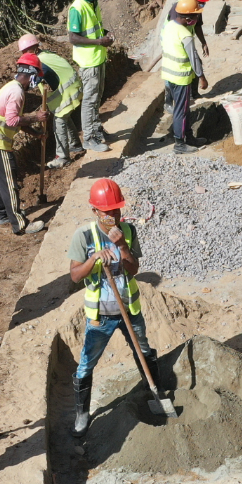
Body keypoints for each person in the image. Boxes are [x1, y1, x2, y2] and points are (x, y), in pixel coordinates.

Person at [66, 178, 151, 436]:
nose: (113, 216)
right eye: (107, 212)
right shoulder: (83, 236)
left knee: (144, 351)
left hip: (128, 310)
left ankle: (154, 392)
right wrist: (93, 259)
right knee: (85, 366)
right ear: (95, 211)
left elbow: (134, 269)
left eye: (117, 210)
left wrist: (123, 246)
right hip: (100, 317)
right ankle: (82, 414)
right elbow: (75, 276)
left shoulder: (129, 231)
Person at [0, 55, 48, 235]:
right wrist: (36, 117)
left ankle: (1, 215)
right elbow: (12, 121)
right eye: (37, 76)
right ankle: (20, 224)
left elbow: (18, 121)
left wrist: (36, 134)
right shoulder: (17, 92)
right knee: (8, 181)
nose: (37, 80)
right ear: (30, 74)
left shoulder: (11, 87)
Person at [16, 32, 82, 168]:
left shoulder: (40, 61)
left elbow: (33, 80)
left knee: (59, 121)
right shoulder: (44, 54)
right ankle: (75, 144)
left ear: (30, 49)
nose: (23, 54)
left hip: (68, 91)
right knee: (64, 116)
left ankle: (63, 157)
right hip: (73, 86)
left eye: (23, 51)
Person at [66, 0, 113, 153]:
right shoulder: (77, 8)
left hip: (98, 58)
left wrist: (104, 35)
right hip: (88, 62)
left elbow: (93, 28)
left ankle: (96, 130)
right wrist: (99, 41)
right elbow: (73, 37)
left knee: (97, 96)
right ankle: (89, 138)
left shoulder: (92, 3)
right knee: (90, 100)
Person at [160, 0, 208, 154]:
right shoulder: (185, 34)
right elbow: (194, 58)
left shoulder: (169, 27)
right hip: (181, 77)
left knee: (184, 109)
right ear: (188, 17)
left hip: (169, 74)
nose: (196, 18)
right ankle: (180, 143)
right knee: (181, 110)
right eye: (195, 15)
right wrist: (201, 77)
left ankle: (189, 137)